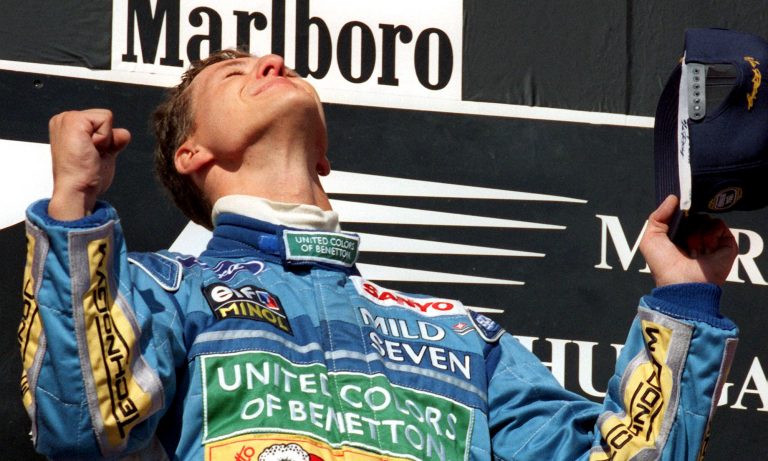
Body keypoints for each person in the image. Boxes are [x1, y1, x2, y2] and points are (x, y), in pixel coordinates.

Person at [19, 49, 739, 461]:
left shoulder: (463, 335)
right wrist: (73, 207)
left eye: (272, 63)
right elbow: (83, 427)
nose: (273, 61)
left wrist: (683, 299)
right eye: (235, 76)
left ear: (325, 156)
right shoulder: (163, 288)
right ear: (192, 153)